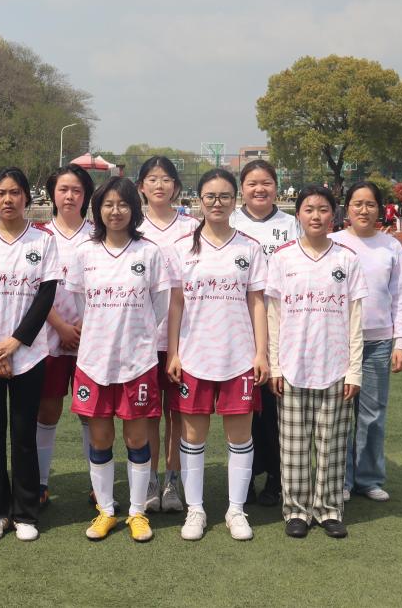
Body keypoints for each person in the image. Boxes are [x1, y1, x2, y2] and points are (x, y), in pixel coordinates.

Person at [66, 176, 172, 543]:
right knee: (100, 439)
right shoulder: (85, 253)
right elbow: (81, 304)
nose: (115, 211)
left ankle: (137, 512)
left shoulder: (148, 253)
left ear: (134, 209)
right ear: (97, 210)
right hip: (94, 361)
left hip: (137, 362)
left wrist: (135, 334)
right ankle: (107, 511)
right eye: (108, 204)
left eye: (123, 204)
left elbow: (160, 306)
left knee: (137, 438)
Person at [166, 169, 269, 541]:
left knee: (239, 437)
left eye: (225, 196)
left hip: (239, 356)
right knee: (193, 436)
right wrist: (173, 352)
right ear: (199, 200)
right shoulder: (182, 247)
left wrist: (262, 352)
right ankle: (195, 510)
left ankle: (236, 510)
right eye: (210, 196)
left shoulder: (249, 248)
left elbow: (257, 302)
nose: (217, 203)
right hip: (195, 356)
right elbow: (176, 303)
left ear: (235, 200)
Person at [266, 185, 367, 539]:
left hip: (335, 366)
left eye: (323, 209)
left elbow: (355, 318)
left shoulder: (347, 259)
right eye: (309, 209)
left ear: (333, 215)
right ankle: (296, 510)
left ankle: (328, 510)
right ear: (298, 215)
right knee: (293, 447)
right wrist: (275, 366)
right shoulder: (282, 259)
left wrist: (354, 370)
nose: (316, 216)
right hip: (293, 365)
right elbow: (273, 317)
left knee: (332, 445)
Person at [0, 167, 60, 542]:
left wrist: (15, 342)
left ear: (26, 198)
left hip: (29, 354)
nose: (8, 199)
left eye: (15, 192)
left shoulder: (43, 241)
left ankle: (25, 512)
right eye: (1, 193)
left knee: (23, 433)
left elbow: (45, 296)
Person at [330, 181, 402, 503]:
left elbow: (400, 297)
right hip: (338, 343)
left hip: (378, 342)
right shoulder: (333, 243)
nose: (363, 210)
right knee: (339, 415)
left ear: (379, 209)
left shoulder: (391, 246)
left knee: (373, 414)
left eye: (370, 204)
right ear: (346, 208)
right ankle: (342, 479)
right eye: (357, 203)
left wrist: (401, 342)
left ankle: (368, 478)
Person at [228, 160, 297, 507]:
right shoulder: (229, 221)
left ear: (276, 187)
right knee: (245, 406)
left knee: (275, 406)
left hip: (282, 325)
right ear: (242, 188)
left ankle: (276, 476)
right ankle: (247, 475)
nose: (259, 189)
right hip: (238, 325)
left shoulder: (291, 224)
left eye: (267, 183)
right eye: (252, 183)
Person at [136, 155, 199, 513]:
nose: (159, 185)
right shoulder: (132, 225)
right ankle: (149, 479)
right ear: (141, 186)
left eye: (166, 179)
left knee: (177, 413)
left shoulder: (192, 227)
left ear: (176, 186)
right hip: (141, 338)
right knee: (147, 414)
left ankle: (173, 480)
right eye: (152, 179)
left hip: (183, 337)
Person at [36, 164, 95, 509]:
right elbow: (31, 288)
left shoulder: (99, 235)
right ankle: (41, 483)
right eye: (63, 189)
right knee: (47, 410)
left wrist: (85, 326)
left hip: (92, 337)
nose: (69, 196)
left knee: (91, 412)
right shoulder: (38, 237)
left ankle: (98, 485)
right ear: (52, 194)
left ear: (86, 195)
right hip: (48, 336)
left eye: (76, 190)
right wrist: (59, 326)